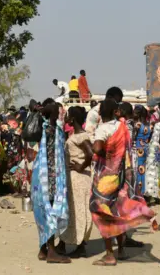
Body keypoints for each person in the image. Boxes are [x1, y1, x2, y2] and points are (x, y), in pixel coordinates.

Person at [90, 98, 154, 266]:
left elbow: (97, 148)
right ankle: (122, 250)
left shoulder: (103, 129)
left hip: (106, 177)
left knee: (101, 212)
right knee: (117, 210)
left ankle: (109, 254)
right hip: (121, 175)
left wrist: (103, 154)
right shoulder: (122, 127)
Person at [31, 103, 70, 264]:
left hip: (40, 175)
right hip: (50, 176)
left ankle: (42, 249)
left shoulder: (46, 127)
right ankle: (52, 252)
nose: (60, 112)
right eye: (58, 111)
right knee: (51, 211)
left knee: (42, 209)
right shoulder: (51, 129)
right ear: (53, 114)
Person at [57, 106, 93, 258]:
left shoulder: (80, 137)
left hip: (78, 178)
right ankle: (67, 243)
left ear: (72, 120)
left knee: (79, 211)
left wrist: (80, 166)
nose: (65, 118)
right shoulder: (76, 135)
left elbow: (90, 153)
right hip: (75, 177)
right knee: (73, 211)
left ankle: (80, 245)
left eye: (67, 116)